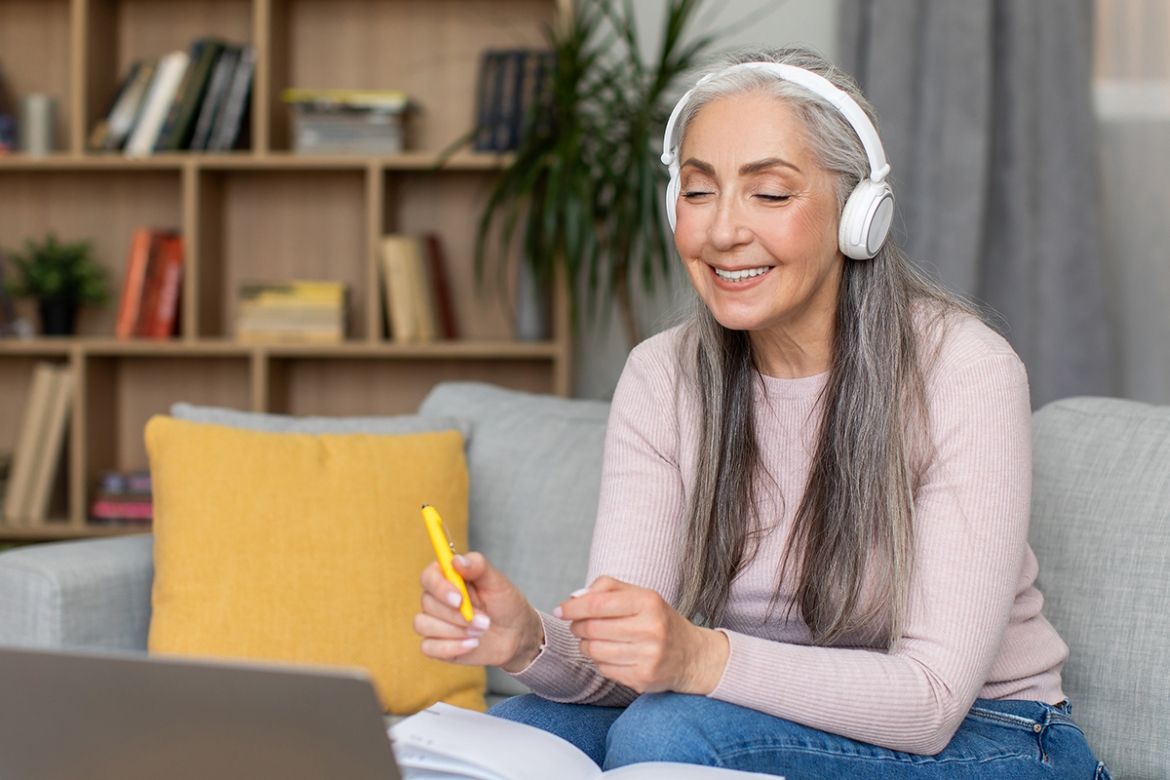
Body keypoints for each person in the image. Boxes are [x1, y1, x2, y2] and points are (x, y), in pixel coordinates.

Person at [413, 47, 1109, 778]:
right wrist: (528, 641)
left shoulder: (963, 370)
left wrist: (701, 656)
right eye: (698, 191)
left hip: (996, 735)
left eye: (770, 195)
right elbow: (631, 668)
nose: (722, 233)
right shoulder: (663, 376)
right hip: (744, 715)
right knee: (520, 731)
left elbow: (931, 701)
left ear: (859, 214)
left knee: (670, 733)